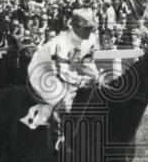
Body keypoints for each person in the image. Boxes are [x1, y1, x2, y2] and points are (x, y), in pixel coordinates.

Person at [27, 8, 101, 150]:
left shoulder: (91, 38)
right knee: (62, 97)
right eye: (86, 28)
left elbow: (87, 63)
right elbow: (61, 73)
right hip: (41, 71)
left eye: (92, 28)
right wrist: (83, 81)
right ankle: (58, 138)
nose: (90, 31)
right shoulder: (59, 43)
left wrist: (96, 76)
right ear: (74, 27)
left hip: (64, 68)